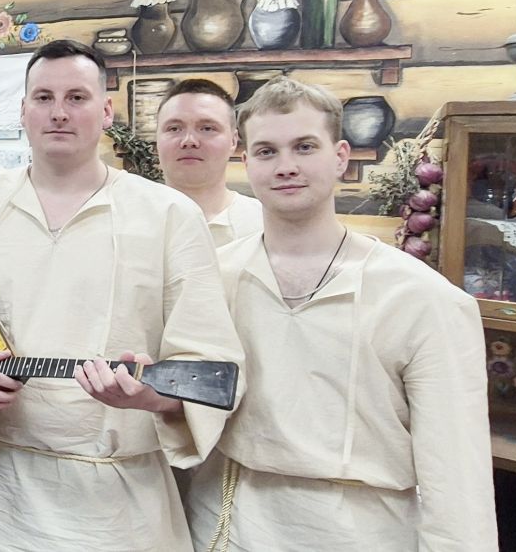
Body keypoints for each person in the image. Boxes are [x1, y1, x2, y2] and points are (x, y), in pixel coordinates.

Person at [0, 40, 244, 551]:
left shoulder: (168, 214)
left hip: (115, 504)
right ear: (22, 111)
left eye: (76, 97)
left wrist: (150, 396)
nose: (58, 112)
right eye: (44, 97)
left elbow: (211, 367)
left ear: (106, 111)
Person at [184, 77, 495, 551]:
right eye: (266, 151)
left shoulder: (422, 299)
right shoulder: (214, 279)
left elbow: (457, 475)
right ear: (246, 163)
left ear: (341, 157)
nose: (286, 166)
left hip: (362, 533)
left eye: (305, 147)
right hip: (228, 523)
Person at [154, 79, 261, 246]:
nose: (189, 141)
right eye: (174, 128)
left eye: (207, 128)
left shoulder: (264, 224)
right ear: (157, 140)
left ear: (233, 141)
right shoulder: (126, 224)